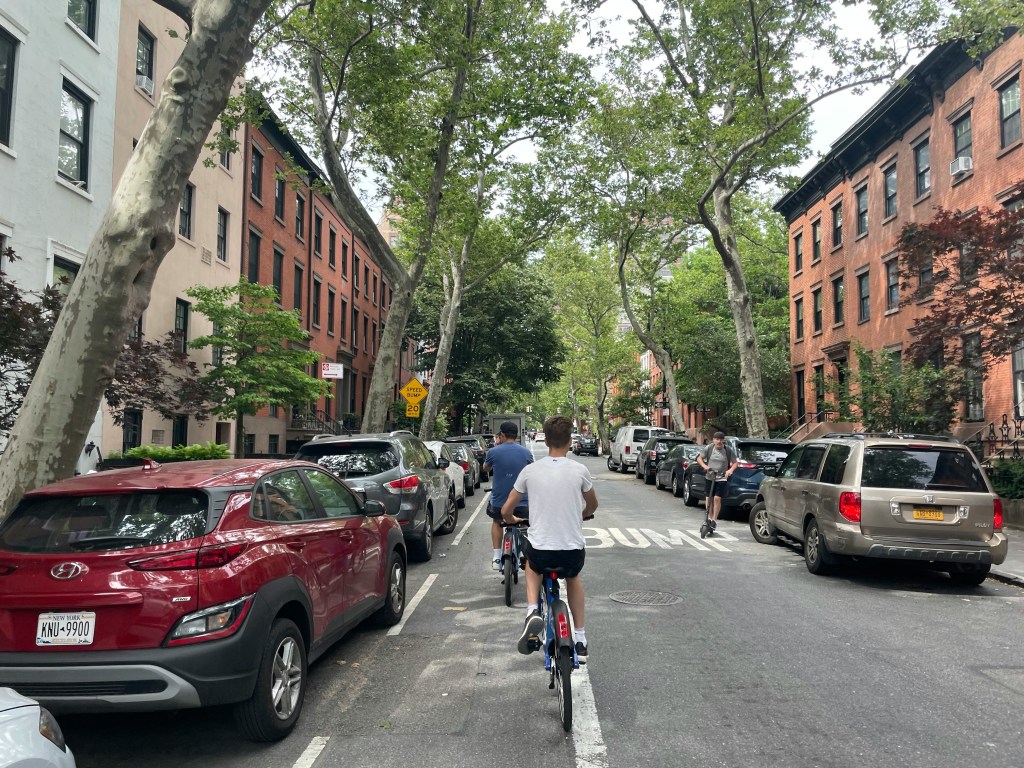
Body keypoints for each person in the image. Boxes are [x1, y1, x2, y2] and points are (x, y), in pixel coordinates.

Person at [501, 415, 598, 659]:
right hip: (572, 552)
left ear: (546, 441)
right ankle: (581, 636)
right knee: (573, 578)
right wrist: (583, 514)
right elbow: (593, 504)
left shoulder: (530, 470)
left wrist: (512, 520)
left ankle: (532, 610)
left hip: (542, 551)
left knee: (532, 566)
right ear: (569, 441)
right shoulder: (580, 470)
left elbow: (505, 511)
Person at [483, 421, 533, 570]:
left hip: (500, 503)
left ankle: (497, 556)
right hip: (522, 502)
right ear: (516, 435)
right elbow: (532, 471)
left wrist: (497, 445)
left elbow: (485, 469)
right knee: (524, 524)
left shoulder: (493, 452)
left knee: (497, 522)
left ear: (502, 435)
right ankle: (526, 553)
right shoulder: (526, 452)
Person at [696, 431, 738, 534]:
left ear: (723, 440)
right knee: (708, 497)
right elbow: (699, 458)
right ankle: (709, 518)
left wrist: (730, 470)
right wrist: (705, 466)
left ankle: (714, 519)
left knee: (717, 498)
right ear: (714, 440)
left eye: (720, 439)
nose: (718, 441)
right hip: (710, 476)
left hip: (722, 477)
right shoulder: (709, 448)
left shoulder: (727, 450)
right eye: (717, 439)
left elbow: (735, 463)